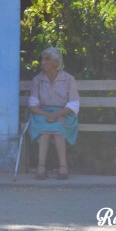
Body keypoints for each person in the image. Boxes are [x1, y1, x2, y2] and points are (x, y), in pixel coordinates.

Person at [27, 47, 79, 180]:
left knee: (57, 129)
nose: (43, 62)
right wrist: (48, 115)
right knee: (45, 130)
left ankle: (63, 167)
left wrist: (56, 114)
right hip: (42, 113)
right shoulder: (37, 80)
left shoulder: (68, 79)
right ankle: (41, 167)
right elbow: (33, 105)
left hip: (64, 113)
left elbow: (74, 104)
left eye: (47, 59)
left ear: (56, 62)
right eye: (42, 59)